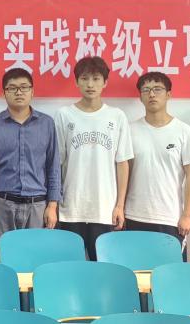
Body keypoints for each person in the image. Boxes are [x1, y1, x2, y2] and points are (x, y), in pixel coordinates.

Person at [56, 57, 133, 261]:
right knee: (71, 268)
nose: (90, 84)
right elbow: (57, 164)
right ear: (76, 81)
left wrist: (120, 206)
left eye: (96, 79)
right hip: (71, 209)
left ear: (105, 82)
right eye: (84, 78)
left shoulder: (117, 116)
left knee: (103, 269)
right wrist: (54, 204)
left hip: (104, 210)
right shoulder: (64, 115)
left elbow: (123, 163)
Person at [0, 68, 61, 259]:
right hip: (2, 205)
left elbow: (53, 167)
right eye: (13, 88)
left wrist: (52, 206)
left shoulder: (47, 124)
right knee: (2, 259)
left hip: (38, 205)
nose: (19, 92)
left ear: (32, 92)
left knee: (36, 259)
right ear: (4, 92)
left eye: (24, 87)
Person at [124, 72, 190, 260]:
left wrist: (187, 215)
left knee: (171, 273)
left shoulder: (185, 131)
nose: (151, 94)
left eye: (157, 89)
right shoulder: (129, 130)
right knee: (136, 272)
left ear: (168, 94)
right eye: (146, 90)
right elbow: (125, 173)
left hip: (170, 217)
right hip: (134, 215)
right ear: (140, 97)